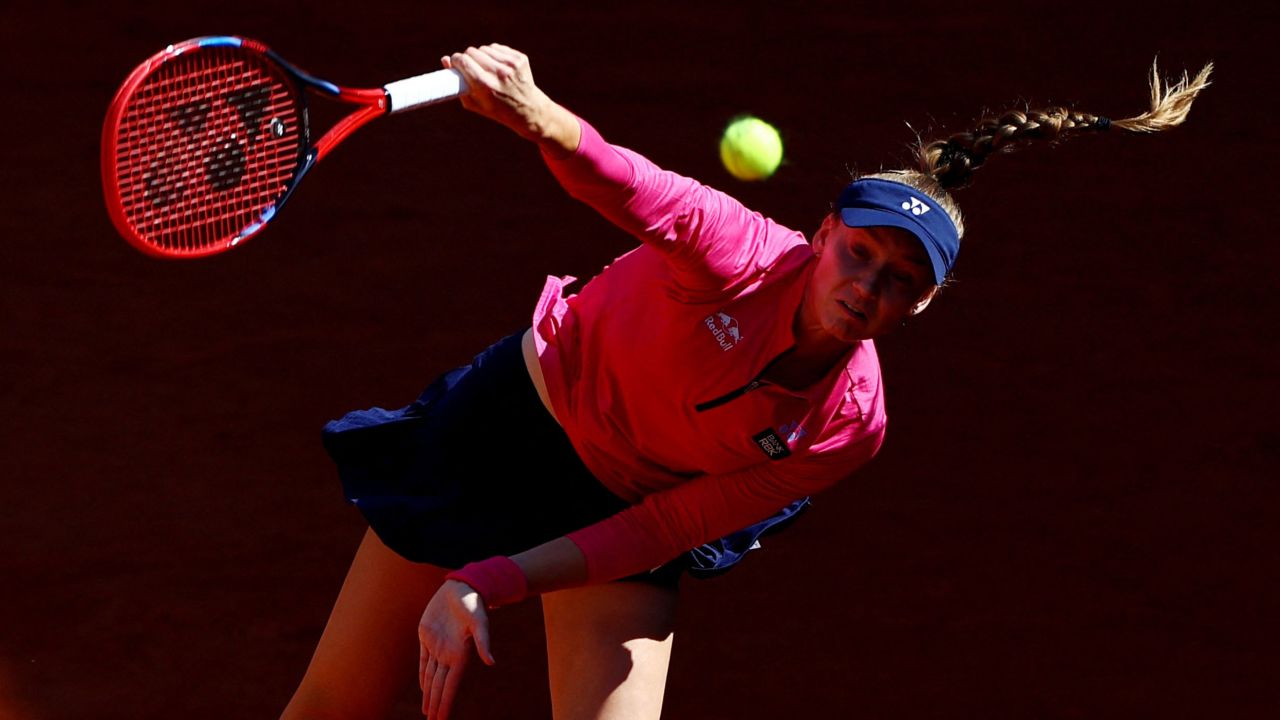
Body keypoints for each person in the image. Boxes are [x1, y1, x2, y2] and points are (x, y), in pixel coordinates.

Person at [281, 45, 1211, 720]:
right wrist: (534, 113)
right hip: (508, 432)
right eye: (858, 253)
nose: (867, 285)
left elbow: (671, 525)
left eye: (901, 281)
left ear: (920, 307)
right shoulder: (736, 254)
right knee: (339, 702)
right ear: (821, 235)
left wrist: (494, 579)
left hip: (631, 500)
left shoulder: (850, 427)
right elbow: (629, 184)